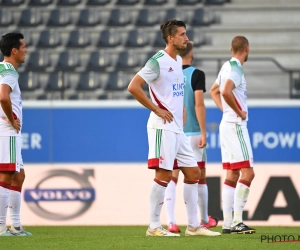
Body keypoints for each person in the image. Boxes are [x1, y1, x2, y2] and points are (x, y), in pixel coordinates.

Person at [128, 19, 221, 237]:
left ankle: (193, 226)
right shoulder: (157, 61)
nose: (186, 38)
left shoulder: (178, 60)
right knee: (164, 173)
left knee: (193, 171)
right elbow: (133, 86)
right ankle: (153, 226)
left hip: (178, 128)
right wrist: (156, 109)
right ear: (171, 38)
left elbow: (173, 92)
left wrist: (181, 112)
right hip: (162, 127)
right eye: (182, 34)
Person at [164, 41, 218, 233]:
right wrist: (204, 132)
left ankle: (171, 222)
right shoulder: (197, 74)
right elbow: (199, 104)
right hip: (193, 132)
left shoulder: (172, 74)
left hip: (175, 131)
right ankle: (202, 219)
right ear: (191, 54)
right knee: (200, 177)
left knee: (172, 177)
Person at [209, 36, 255, 234]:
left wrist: (226, 111)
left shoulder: (225, 67)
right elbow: (225, 91)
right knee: (248, 173)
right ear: (247, 48)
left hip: (226, 123)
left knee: (232, 173)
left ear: (231, 48)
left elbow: (213, 91)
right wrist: (238, 112)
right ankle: (237, 221)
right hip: (236, 124)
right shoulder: (236, 69)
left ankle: (227, 223)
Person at [0, 33, 32, 236]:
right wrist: (12, 120)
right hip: (8, 131)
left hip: (6, 130)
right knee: (6, 175)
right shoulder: (10, 71)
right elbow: (3, 96)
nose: (26, 50)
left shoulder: (2, 68)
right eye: (23, 46)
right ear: (14, 50)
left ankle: (16, 226)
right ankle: (2, 226)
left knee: (19, 176)